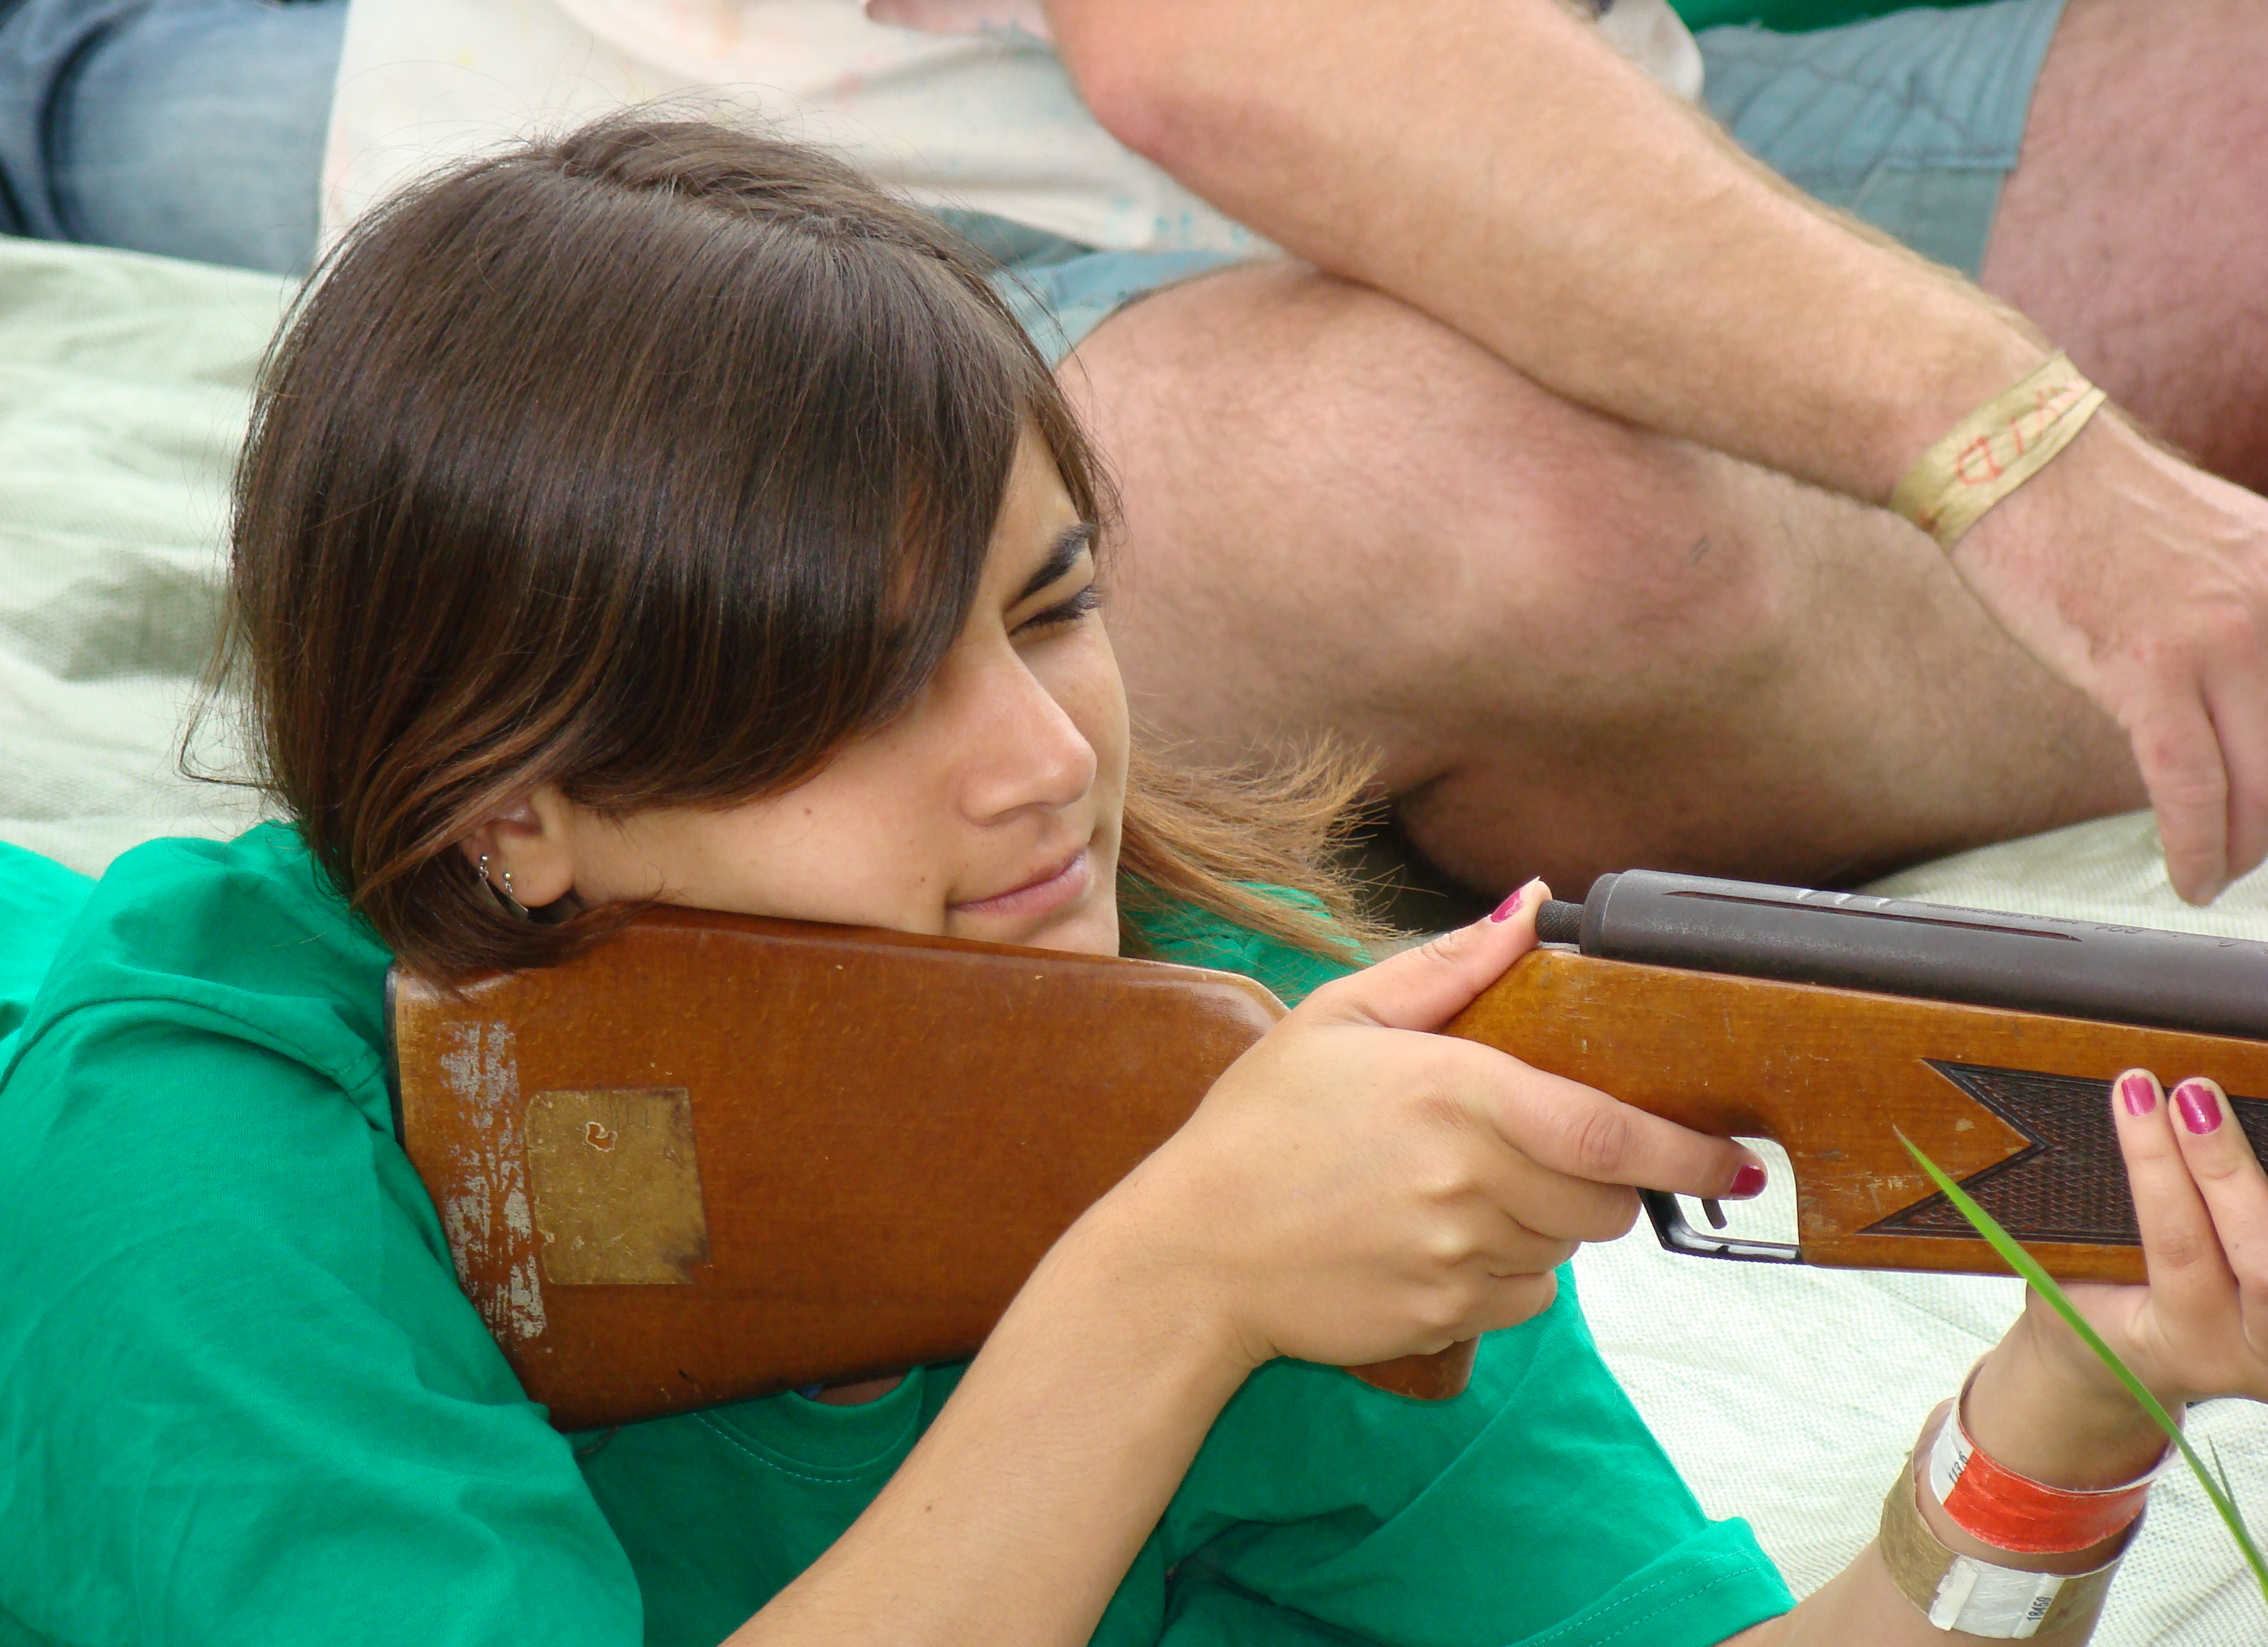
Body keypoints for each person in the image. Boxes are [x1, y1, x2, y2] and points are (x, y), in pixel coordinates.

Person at [2, 117, 2263, 1647]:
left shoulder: (1211, 1029)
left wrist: (2052, 1432)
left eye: (1053, 605)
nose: (1046, 760)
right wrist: (1168, 1287)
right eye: (857, 690)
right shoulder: (182, 1151)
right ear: (514, 821)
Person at [5, 1, 2268, 912]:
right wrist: (2022, 454)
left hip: (1538, 77)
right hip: (825, 216)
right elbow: (1230, 49)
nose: (1031, 767)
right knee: (1497, 514)